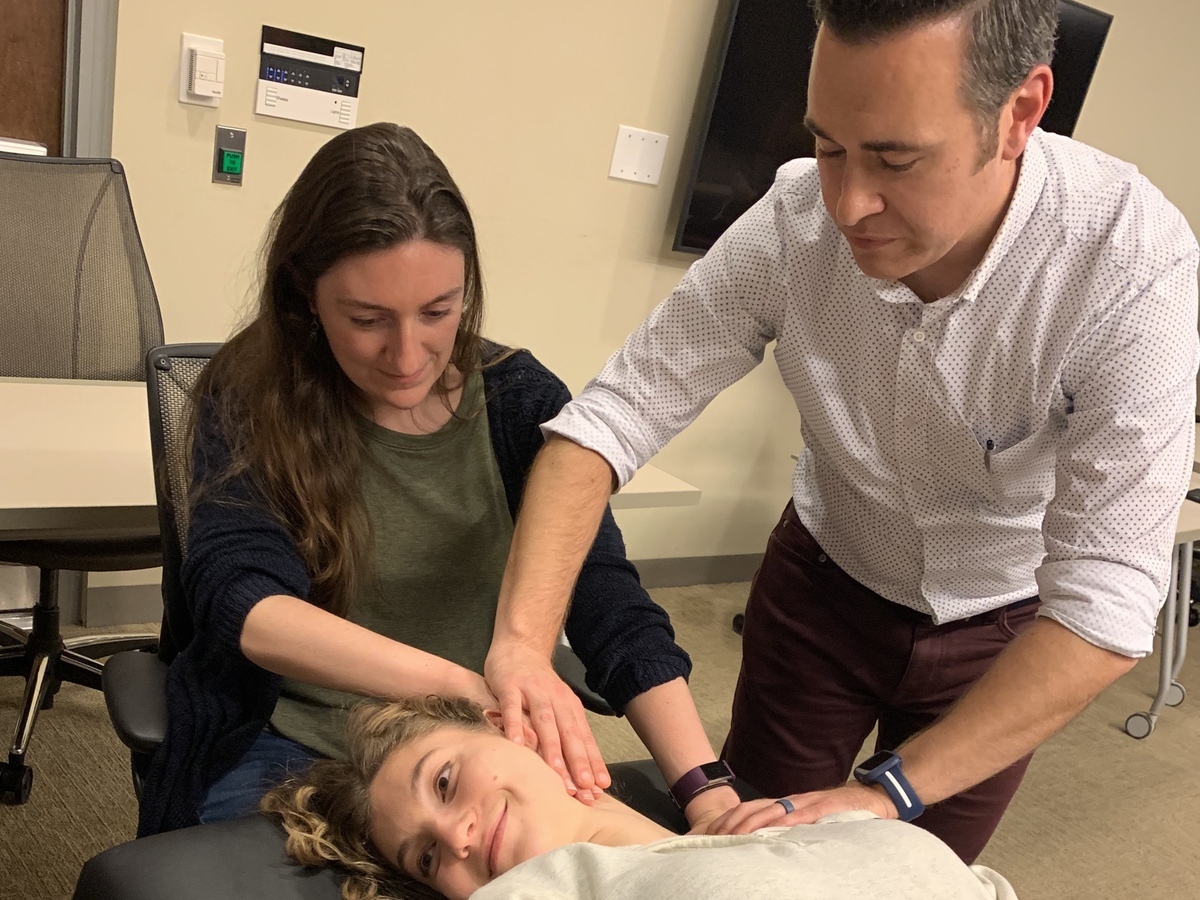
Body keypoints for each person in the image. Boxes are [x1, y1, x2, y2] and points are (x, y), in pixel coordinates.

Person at [482, 0, 1200, 864]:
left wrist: (884, 793)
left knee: (909, 872)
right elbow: (606, 422)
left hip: (1003, 628)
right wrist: (522, 645)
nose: (850, 202)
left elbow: (1105, 602)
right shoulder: (794, 223)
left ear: (1019, 113)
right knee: (751, 855)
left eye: (897, 158)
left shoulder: (1128, 265)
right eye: (828, 146)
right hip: (825, 586)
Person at [136, 122, 739, 837]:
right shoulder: (248, 397)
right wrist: (468, 685)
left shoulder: (519, 402)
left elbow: (607, 600)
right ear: (306, 296)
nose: (407, 354)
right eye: (367, 319)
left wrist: (708, 791)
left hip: (469, 752)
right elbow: (247, 605)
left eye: (437, 312)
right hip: (287, 740)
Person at [262, 696, 1018, 900]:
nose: (455, 839)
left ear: (516, 729)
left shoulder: (816, 828)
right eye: (427, 858)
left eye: (445, 780)